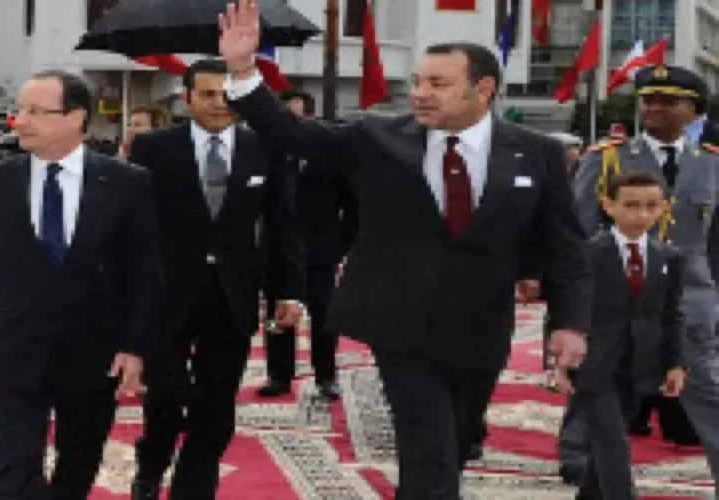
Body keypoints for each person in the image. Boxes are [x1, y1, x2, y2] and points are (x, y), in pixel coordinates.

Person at [217, 2, 590, 498]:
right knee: (427, 449)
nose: (419, 94)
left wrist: (568, 323)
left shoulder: (535, 152)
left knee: (454, 444)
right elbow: (295, 134)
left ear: (483, 89)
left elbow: (566, 245)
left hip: (482, 326)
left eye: (437, 84)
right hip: (399, 322)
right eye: (417, 82)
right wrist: (244, 72)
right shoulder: (379, 138)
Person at [0, 70, 161, 500]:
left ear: (75, 117)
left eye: (35, 111)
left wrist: (135, 345)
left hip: (94, 353)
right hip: (13, 348)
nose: (20, 121)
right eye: (19, 111)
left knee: (79, 463)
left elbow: (143, 271)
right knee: (14, 470)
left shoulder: (126, 182)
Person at [128, 58, 304, 500]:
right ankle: (151, 466)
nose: (219, 103)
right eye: (207, 94)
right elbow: (133, 226)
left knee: (217, 402)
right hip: (167, 295)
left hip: (234, 295)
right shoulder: (153, 148)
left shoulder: (264, 147)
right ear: (186, 98)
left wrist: (289, 291)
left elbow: (284, 223)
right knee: (165, 396)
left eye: (227, 94)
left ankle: (194, 486)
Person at [572, 64, 719, 493]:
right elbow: (579, 235)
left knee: (708, 396)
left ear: (692, 110)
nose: (653, 108)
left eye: (666, 101)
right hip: (614, 303)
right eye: (648, 100)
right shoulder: (607, 158)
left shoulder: (710, 165)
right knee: (604, 401)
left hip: (688, 303)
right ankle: (588, 476)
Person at [557, 171, 686, 498]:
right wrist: (560, 360)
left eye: (650, 206)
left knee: (603, 455)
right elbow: (567, 308)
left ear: (663, 208)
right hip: (594, 365)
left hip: (641, 365)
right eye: (631, 205)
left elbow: (672, 315)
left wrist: (675, 363)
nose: (641, 215)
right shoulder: (587, 254)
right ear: (609, 205)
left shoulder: (669, 257)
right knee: (613, 444)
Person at [257, 89, 358, 401]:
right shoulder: (266, 152)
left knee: (325, 316)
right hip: (279, 251)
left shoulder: (330, 155)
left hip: (321, 251)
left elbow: (353, 205)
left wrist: (341, 245)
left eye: (296, 118)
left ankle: (326, 376)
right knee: (278, 316)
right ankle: (279, 375)